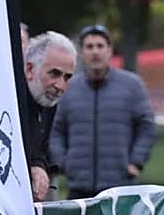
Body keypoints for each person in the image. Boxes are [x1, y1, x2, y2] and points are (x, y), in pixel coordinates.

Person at [50, 24, 156, 198]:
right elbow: (56, 129)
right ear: (81, 53)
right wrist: (62, 162)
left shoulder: (131, 85)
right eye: (89, 47)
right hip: (79, 187)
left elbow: (146, 126)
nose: (95, 52)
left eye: (100, 46)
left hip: (120, 185)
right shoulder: (69, 87)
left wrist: (136, 161)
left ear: (110, 51)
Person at [22, 31, 77, 202]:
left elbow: (38, 149)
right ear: (30, 69)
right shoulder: (4, 100)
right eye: (54, 73)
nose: (60, 85)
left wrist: (38, 165)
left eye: (67, 77)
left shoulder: (46, 100)